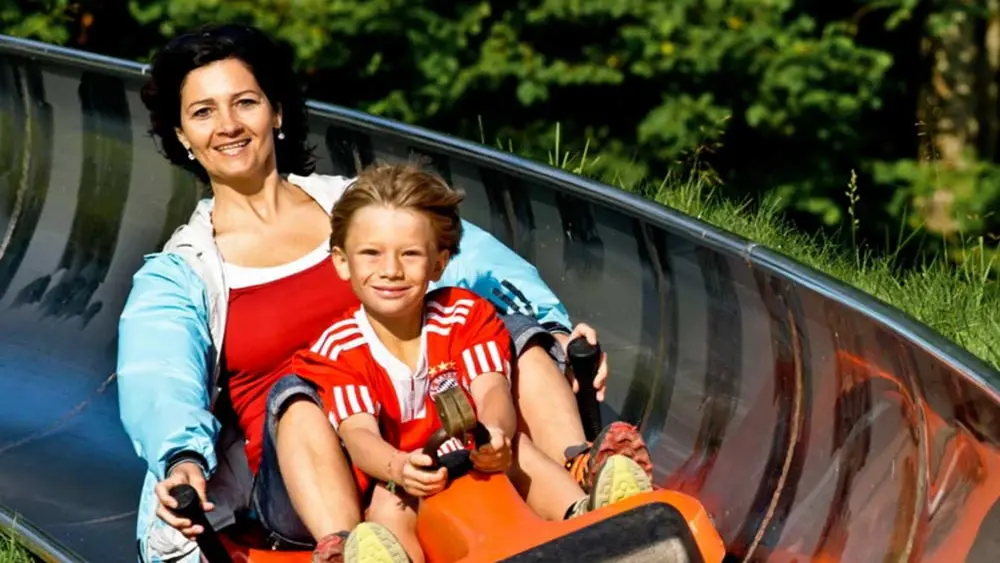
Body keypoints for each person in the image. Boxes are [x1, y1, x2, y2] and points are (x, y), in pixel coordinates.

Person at [115, 23, 652, 563]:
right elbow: (159, 375)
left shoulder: (362, 208)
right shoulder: (184, 272)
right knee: (298, 393)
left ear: (275, 112)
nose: (228, 125)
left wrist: (554, 332)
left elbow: (475, 260)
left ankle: (587, 479)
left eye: (245, 103)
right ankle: (351, 547)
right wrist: (181, 458)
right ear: (182, 135)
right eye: (203, 112)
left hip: (421, 417)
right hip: (307, 471)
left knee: (509, 334)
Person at [285, 162, 652, 562]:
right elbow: (359, 434)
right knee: (387, 508)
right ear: (342, 262)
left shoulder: (463, 315)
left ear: (438, 264)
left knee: (520, 450)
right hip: (404, 477)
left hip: (477, 454)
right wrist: (397, 465)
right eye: (371, 254)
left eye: (410, 254)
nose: (390, 270)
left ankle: (588, 516)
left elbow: (492, 387)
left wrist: (496, 432)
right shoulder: (338, 348)